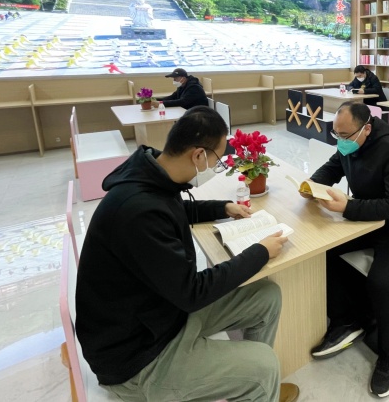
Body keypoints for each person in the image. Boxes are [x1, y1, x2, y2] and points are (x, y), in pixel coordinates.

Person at [76, 106, 299, 402]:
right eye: (218, 158)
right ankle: (258, 383)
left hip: (162, 316)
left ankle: (251, 388)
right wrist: (259, 252)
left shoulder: (152, 176)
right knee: (265, 367)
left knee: (266, 295)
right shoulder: (138, 212)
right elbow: (192, 293)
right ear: (198, 155)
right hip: (138, 357)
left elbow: (174, 209)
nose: (217, 164)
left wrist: (222, 207)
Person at [304, 102, 389, 397]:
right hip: (369, 221)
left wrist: (347, 207)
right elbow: (331, 168)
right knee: (325, 250)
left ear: (366, 129)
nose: (340, 141)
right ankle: (348, 319)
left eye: (345, 135)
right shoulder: (349, 142)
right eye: (336, 134)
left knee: (381, 283)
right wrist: (310, 186)